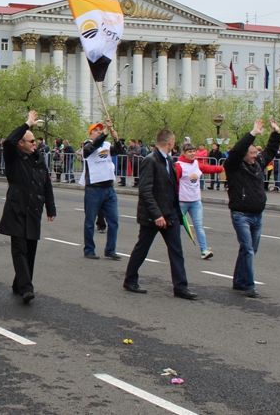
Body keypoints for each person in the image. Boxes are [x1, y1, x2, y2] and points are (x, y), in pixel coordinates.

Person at [123, 129, 197, 300]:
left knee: (176, 250)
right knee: (143, 247)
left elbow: (170, 187)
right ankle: (130, 279)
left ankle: (180, 286)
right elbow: (146, 191)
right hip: (153, 215)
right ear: (170, 142)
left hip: (169, 213)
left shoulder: (169, 160)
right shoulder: (150, 160)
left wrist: (176, 211)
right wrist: (157, 215)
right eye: (174, 142)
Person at [0, 110, 56, 303]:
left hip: (34, 209)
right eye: (31, 141)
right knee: (20, 249)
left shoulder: (38, 159)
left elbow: (46, 184)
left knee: (31, 249)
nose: (35, 144)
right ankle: (26, 288)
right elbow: (8, 142)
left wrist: (51, 208)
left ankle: (19, 283)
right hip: (17, 208)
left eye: (35, 141)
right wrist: (27, 124)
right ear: (20, 144)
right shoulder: (14, 158)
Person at [223, 119, 280, 298]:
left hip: (257, 214)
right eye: (252, 152)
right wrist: (253, 133)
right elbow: (239, 149)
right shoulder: (233, 165)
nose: (255, 155)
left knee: (250, 250)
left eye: (256, 152)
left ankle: (239, 281)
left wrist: (276, 133)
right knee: (247, 249)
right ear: (243, 154)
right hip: (241, 214)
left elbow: (270, 151)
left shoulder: (258, 163)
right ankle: (248, 284)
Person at [79, 120, 124, 260]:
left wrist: (116, 139)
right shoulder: (87, 145)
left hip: (108, 188)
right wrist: (105, 132)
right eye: (96, 130)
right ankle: (89, 249)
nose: (99, 131)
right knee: (90, 221)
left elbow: (119, 151)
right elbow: (93, 147)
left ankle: (110, 249)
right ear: (91, 134)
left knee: (114, 220)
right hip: (94, 188)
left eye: (101, 130)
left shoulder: (107, 145)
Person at [174, 143, 224, 259]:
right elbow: (173, 183)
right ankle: (175, 250)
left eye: (194, 151)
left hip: (196, 201)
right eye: (189, 152)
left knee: (199, 226)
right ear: (184, 153)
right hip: (182, 202)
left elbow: (208, 168)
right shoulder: (179, 166)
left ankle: (204, 250)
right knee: (176, 227)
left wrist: (221, 168)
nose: (192, 154)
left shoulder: (196, 164)